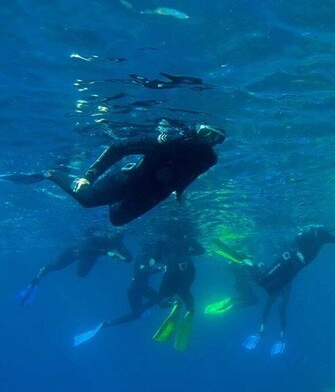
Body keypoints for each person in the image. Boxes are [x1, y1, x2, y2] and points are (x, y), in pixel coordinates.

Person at [213, 225, 335, 356]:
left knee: (271, 298)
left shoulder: (310, 234)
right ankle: (274, 335)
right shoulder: (320, 235)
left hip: (288, 267)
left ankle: (263, 331)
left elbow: (293, 244)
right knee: (277, 302)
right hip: (290, 271)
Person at [44, 123, 226, 226]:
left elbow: (191, 174)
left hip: (154, 195)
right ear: (195, 130)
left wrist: (179, 192)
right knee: (87, 201)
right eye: (206, 133)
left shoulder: (209, 159)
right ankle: (52, 173)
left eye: (216, 137)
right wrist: (88, 177)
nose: (209, 140)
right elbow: (117, 148)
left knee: (117, 220)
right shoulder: (168, 142)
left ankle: (111, 197)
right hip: (130, 180)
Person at [72, 241, 165, 346]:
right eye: (152, 250)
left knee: (141, 311)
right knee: (151, 304)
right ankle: (108, 324)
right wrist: (159, 269)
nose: (153, 252)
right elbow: (143, 271)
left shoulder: (145, 258)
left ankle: (108, 324)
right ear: (148, 250)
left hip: (138, 290)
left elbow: (149, 267)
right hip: (137, 290)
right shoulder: (143, 259)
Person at [16, 229, 132, 307]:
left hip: (90, 257)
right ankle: (37, 279)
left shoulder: (117, 242)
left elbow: (129, 257)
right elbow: (84, 249)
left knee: (81, 274)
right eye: (116, 236)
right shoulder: (99, 236)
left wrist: (123, 258)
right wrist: (108, 253)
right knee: (57, 266)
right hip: (76, 252)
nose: (116, 239)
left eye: (119, 237)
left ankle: (78, 265)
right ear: (111, 232)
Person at [152, 231, 205, 351]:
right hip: (189, 268)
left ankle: (175, 303)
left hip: (171, 268)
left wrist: (159, 259)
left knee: (161, 299)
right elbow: (202, 250)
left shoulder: (162, 238)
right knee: (185, 291)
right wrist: (186, 253)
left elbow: (155, 259)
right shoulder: (187, 236)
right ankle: (190, 309)